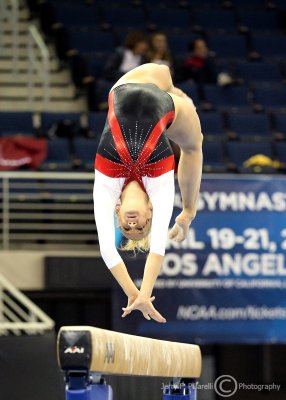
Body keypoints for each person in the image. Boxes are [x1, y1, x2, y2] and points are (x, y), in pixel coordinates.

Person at [93, 63, 203, 323]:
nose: (132, 226)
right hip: (166, 107)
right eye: (141, 228)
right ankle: (190, 210)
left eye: (127, 229)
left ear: (117, 211)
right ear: (150, 212)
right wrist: (185, 214)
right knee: (194, 145)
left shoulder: (107, 184)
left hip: (129, 85)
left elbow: (107, 249)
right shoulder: (158, 184)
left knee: (161, 71)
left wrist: (135, 295)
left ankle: (175, 89)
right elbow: (158, 248)